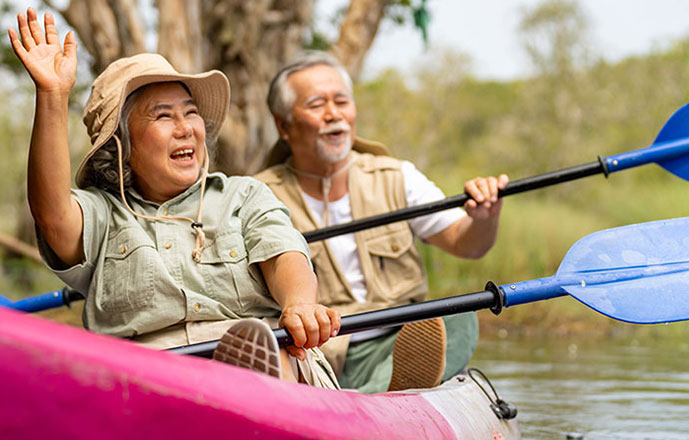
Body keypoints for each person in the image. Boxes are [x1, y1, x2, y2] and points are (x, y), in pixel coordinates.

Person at [9, 8, 340, 387]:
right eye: (163, 116)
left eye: (192, 113)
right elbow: (52, 215)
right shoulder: (103, 214)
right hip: (148, 380)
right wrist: (52, 95)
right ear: (122, 146)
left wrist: (299, 304)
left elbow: (286, 258)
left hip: (257, 354)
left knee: (270, 352)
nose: (186, 129)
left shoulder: (242, 195)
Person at [255, 51, 508, 393]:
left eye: (342, 101)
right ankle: (369, 399)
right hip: (314, 353)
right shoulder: (257, 195)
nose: (334, 115)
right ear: (283, 125)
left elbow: (469, 244)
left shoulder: (397, 176)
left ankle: (369, 398)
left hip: (399, 340)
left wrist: (485, 217)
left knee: (460, 317)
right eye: (317, 105)